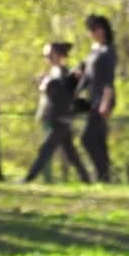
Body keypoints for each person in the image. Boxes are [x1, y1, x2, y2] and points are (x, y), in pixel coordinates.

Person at [22, 42, 91, 184]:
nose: (47, 58)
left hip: (59, 119)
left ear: (58, 55)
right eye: (46, 55)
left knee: (45, 150)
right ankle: (87, 180)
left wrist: (46, 84)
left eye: (49, 55)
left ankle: (28, 179)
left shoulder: (63, 73)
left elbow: (62, 95)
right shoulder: (54, 72)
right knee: (71, 154)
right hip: (57, 119)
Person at [75, 14, 117, 183]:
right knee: (99, 140)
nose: (93, 32)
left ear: (103, 30)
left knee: (87, 138)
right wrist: (76, 92)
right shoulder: (93, 52)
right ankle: (105, 178)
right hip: (92, 100)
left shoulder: (108, 51)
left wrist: (106, 103)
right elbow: (86, 77)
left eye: (95, 29)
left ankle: (102, 175)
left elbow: (109, 79)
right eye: (91, 30)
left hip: (103, 100)